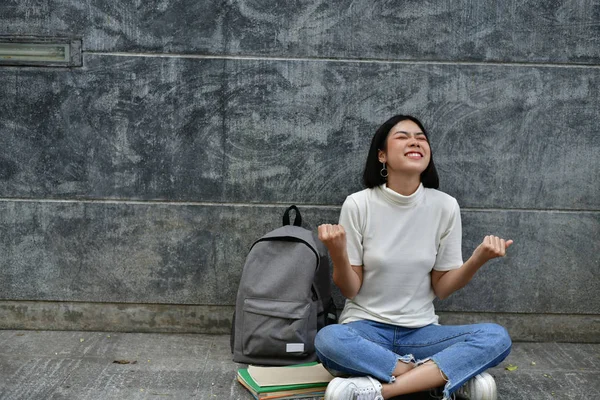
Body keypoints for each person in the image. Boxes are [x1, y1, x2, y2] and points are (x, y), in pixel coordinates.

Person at [315, 115, 513, 400]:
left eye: (421, 137)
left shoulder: (445, 206)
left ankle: (379, 390)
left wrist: (478, 259)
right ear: (381, 155)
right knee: (328, 341)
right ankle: (440, 376)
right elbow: (350, 289)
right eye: (403, 136)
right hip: (366, 331)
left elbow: (443, 288)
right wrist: (337, 252)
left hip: (422, 333)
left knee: (496, 337)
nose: (415, 141)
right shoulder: (359, 204)